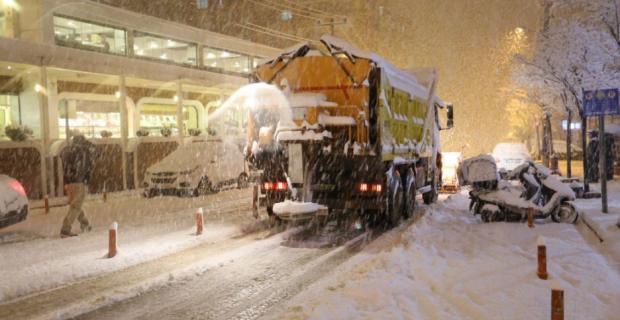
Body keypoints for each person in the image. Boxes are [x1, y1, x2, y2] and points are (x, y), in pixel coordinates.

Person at [60, 134, 95, 237]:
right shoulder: (84, 151)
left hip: (69, 182)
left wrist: (66, 181)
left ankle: (85, 224)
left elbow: (65, 166)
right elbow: (89, 164)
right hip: (80, 182)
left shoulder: (67, 150)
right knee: (76, 206)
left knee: (76, 205)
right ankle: (65, 229)